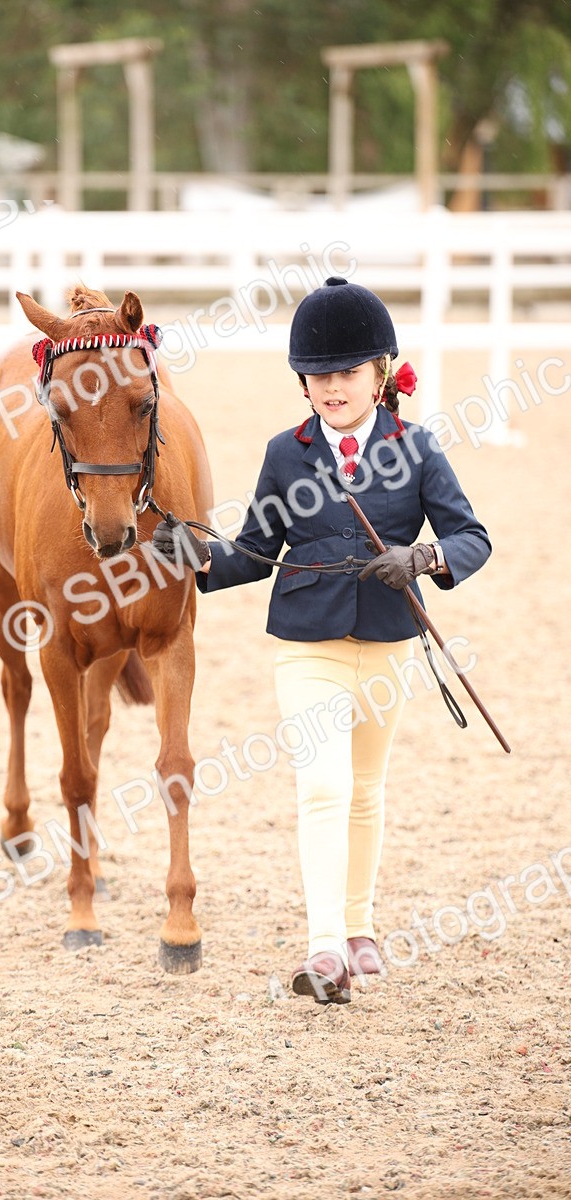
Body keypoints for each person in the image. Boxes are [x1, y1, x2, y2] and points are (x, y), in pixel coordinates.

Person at [151, 276, 491, 1005]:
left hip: (391, 635)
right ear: (303, 383)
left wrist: (424, 558)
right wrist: (196, 558)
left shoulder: (418, 447)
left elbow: (472, 535)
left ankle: (362, 926)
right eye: (319, 375)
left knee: (365, 789)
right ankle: (326, 947)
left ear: (380, 375)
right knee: (324, 784)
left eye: (346, 372)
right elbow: (255, 549)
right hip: (307, 641)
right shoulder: (286, 452)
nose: (332, 386)